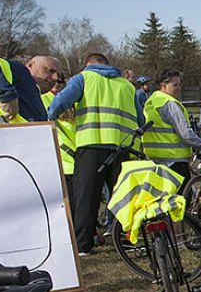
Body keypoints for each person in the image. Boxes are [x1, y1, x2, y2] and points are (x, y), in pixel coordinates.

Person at [47, 53, 139, 255]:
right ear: (108, 65)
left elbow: (59, 103)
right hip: (121, 148)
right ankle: (124, 241)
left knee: (86, 198)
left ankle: (83, 245)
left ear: (88, 65)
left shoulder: (83, 78)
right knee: (121, 196)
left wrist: (48, 118)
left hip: (91, 146)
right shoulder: (127, 86)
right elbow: (139, 118)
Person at [140, 69, 201, 180]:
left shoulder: (151, 101)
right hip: (174, 160)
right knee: (181, 197)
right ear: (163, 85)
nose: (179, 88)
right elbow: (185, 134)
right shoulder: (169, 104)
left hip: (154, 160)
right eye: (175, 85)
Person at [0, 55, 61, 124]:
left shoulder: (34, 93)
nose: (55, 78)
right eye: (50, 70)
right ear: (30, 65)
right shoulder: (19, 71)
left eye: (59, 75)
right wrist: (7, 94)